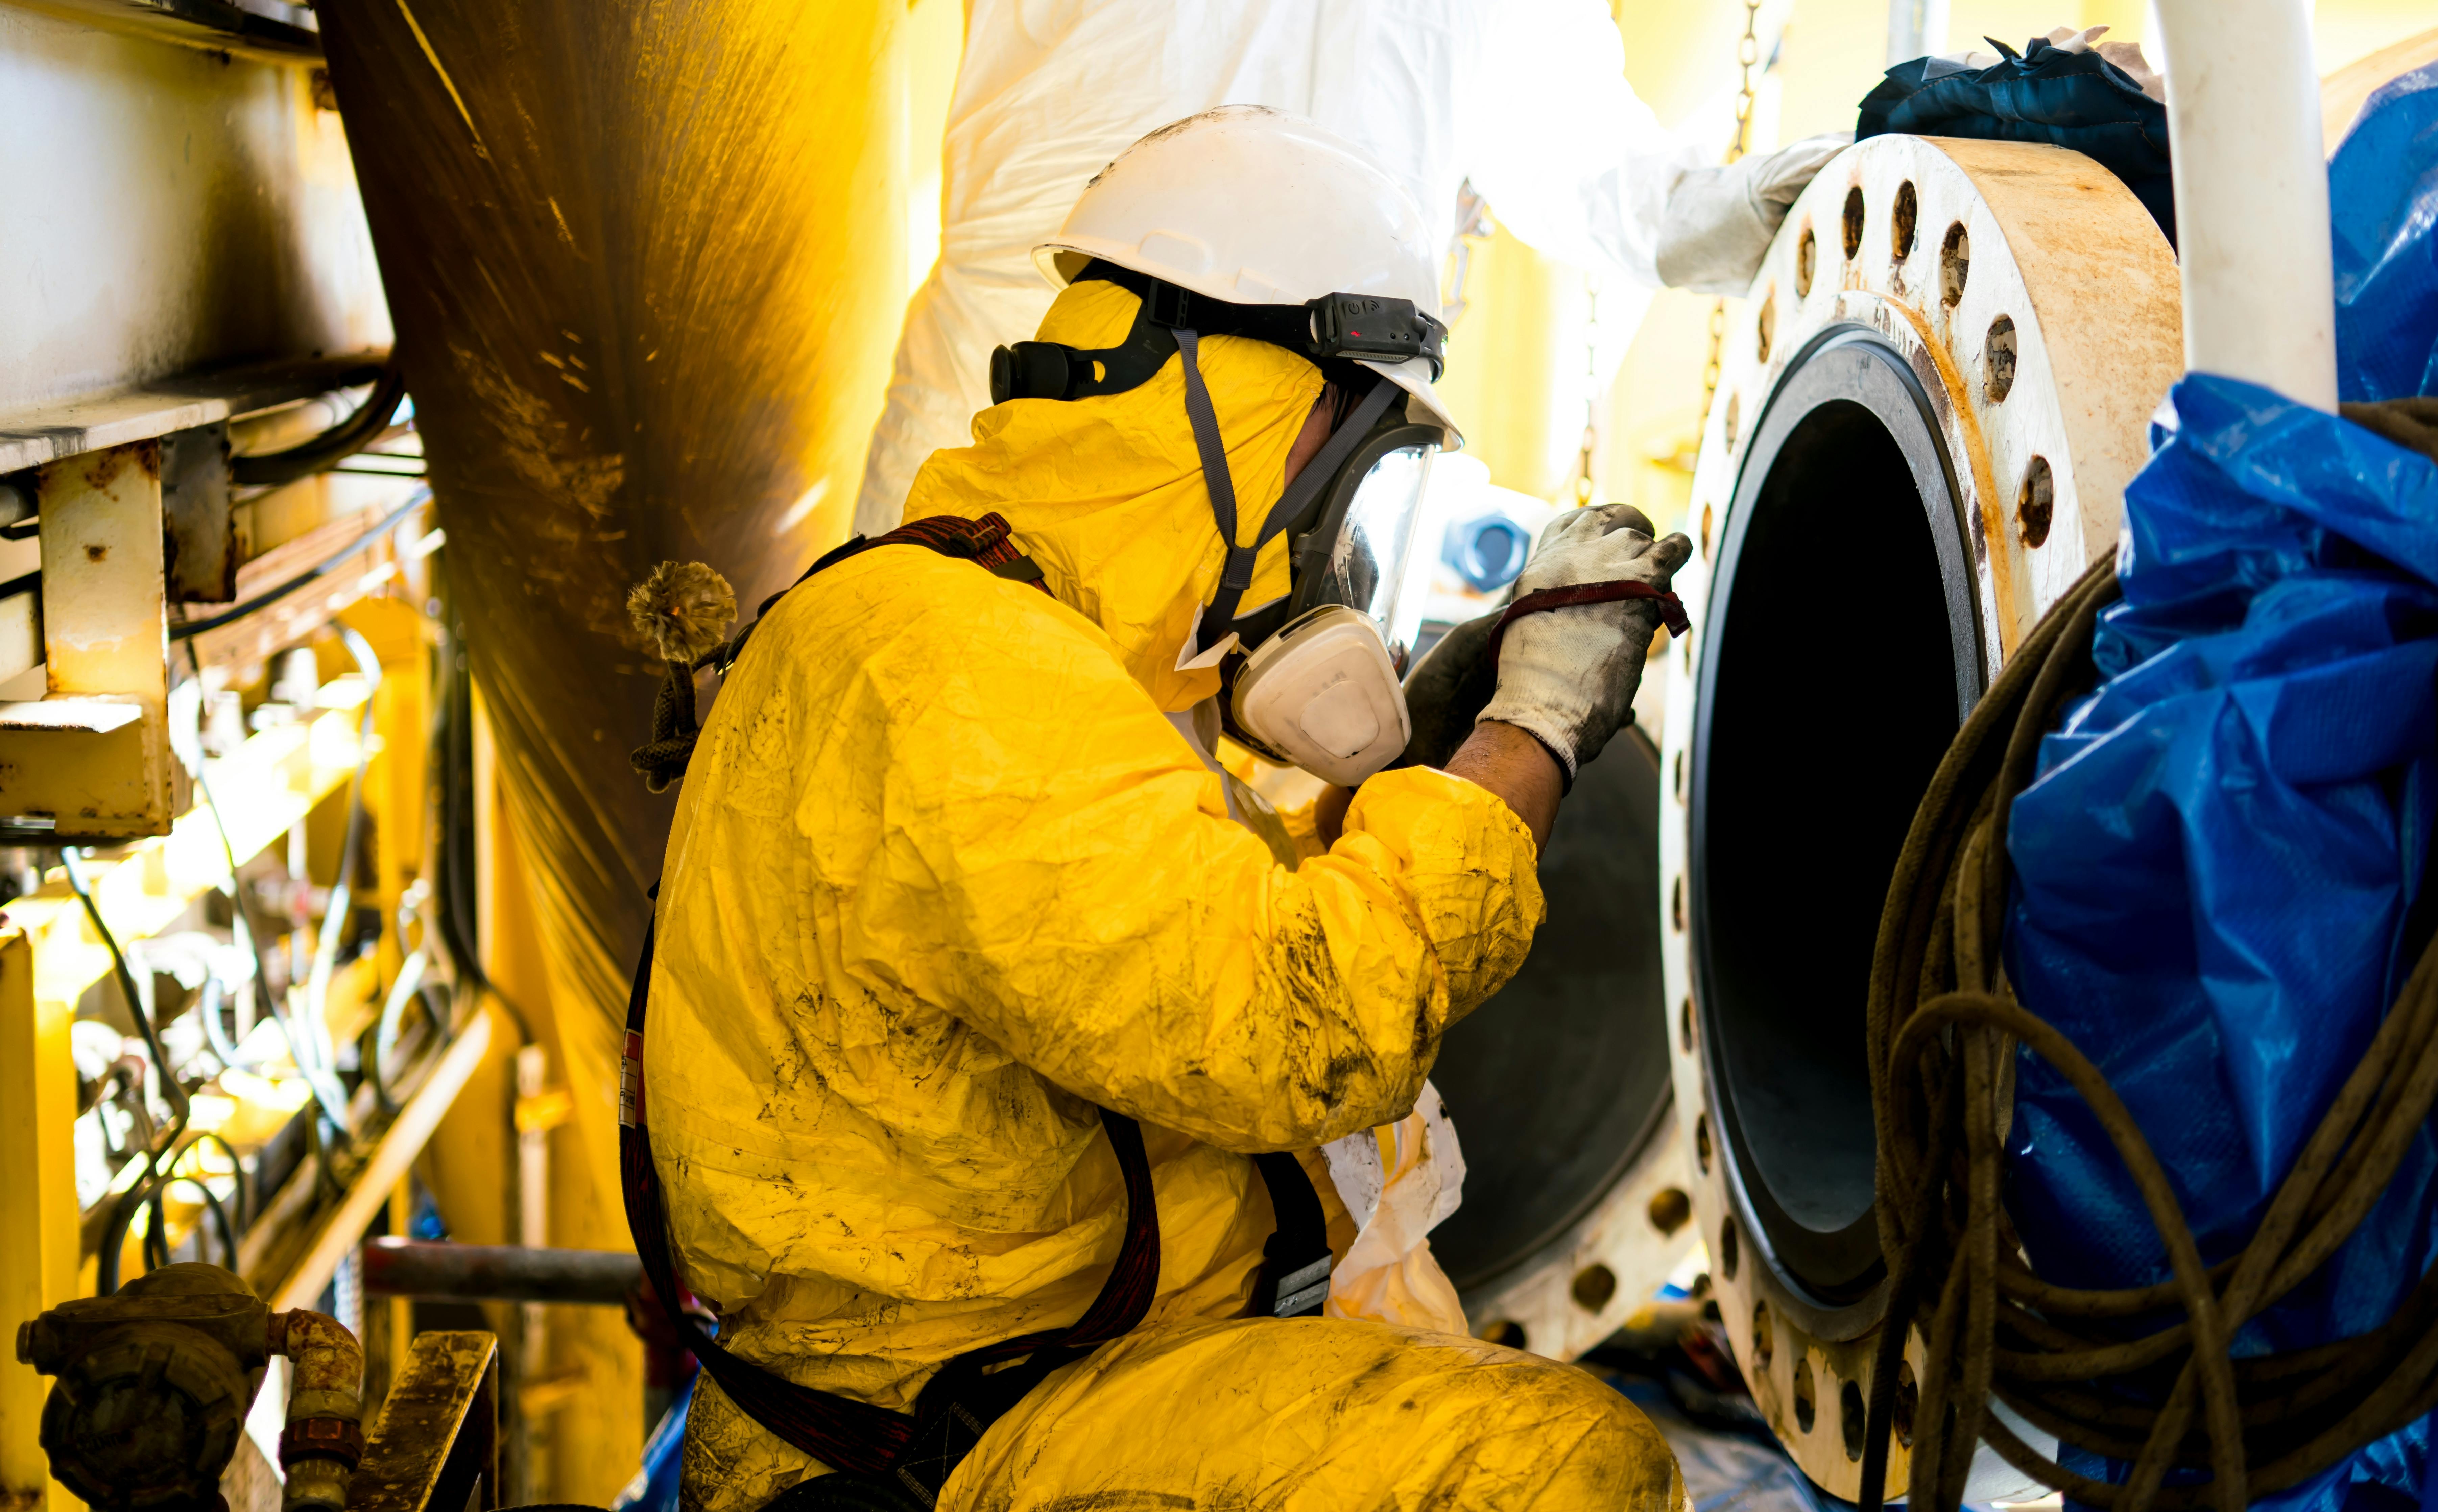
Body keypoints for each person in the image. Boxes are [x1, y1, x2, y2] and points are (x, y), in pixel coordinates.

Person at [632, 108, 1695, 1512]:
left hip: (1026, 1363)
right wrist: (1534, 728)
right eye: (1346, 482)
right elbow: (1304, 1025)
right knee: (1556, 1472)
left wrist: (1424, 760)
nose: (1339, 554)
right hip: (953, 1439)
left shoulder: (981, 636)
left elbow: (1159, 947)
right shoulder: (954, 668)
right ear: (1244, 409)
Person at [854, 0, 1847, 531]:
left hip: (1292, 478)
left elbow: (1582, 159)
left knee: (1209, 870)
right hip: (1025, 404)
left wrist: (1747, 210)